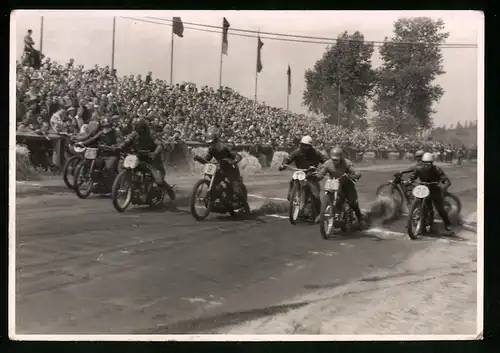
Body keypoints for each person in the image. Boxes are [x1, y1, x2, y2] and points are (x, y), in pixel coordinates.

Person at [116, 117, 175, 200]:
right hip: (139, 156)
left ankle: (169, 189)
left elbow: (159, 144)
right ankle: (129, 187)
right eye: (135, 127)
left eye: (137, 127)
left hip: (152, 158)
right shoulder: (134, 133)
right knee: (124, 166)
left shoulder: (151, 133)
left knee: (159, 180)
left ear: (142, 128)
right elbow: (127, 140)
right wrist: (120, 147)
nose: (135, 129)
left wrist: (155, 153)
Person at [278, 135, 326, 222]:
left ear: (310, 146)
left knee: (315, 195)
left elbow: (325, 160)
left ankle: (319, 214)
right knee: (291, 187)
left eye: (306, 145)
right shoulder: (297, 151)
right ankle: (293, 198)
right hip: (300, 172)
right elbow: (288, 158)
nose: (304, 147)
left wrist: (323, 168)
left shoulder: (316, 152)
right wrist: (283, 164)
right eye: (303, 145)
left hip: (311, 174)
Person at [193, 130, 246, 203]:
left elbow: (238, 156)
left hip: (231, 168)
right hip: (221, 168)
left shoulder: (226, 146)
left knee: (236, 188)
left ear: (217, 140)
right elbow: (206, 160)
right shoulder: (211, 149)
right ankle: (215, 199)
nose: (211, 144)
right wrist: (198, 158)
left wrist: (232, 161)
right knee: (215, 184)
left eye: (212, 142)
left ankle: (245, 206)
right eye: (209, 143)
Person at [317, 147, 366, 228]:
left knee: (352, 202)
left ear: (341, 157)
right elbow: (321, 173)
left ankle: (360, 219)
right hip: (333, 182)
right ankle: (322, 213)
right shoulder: (327, 163)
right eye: (333, 159)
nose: (335, 161)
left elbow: (355, 171)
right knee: (326, 195)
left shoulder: (347, 163)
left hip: (346, 184)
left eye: (337, 159)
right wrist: (318, 176)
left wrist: (356, 174)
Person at [408, 152, 453, 232]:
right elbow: (413, 176)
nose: (426, 165)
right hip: (423, 188)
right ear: (422, 162)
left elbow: (446, 180)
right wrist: (409, 180)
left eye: (428, 163)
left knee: (440, 209)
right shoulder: (418, 169)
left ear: (432, 163)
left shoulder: (437, 169)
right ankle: (420, 223)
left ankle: (447, 223)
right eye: (424, 163)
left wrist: (443, 186)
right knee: (424, 207)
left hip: (434, 189)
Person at [77, 118, 119, 191]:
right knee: (94, 166)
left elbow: (120, 142)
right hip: (101, 154)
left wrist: (115, 146)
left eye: (107, 126)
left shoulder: (116, 133)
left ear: (111, 126)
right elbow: (92, 139)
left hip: (112, 155)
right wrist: (82, 144)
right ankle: (97, 182)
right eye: (104, 126)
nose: (106, 128)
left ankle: (114, 187)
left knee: (108, 168)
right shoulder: (101, 133)